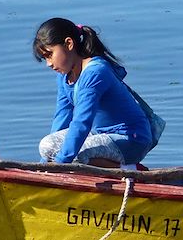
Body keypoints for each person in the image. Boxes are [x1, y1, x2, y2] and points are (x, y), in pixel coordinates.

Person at [33, 17, 152, 167]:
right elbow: (62, 118)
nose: (49, 64)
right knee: (47, 146)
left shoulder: (95, 73)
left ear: (69, 44)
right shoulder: (64, 76)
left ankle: (129, 169)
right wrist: (44, 163)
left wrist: (59, 165)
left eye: (50, 55)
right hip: (98, 134)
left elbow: (82, 121)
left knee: (77, 155)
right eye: (45, 58)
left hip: (130, 139)